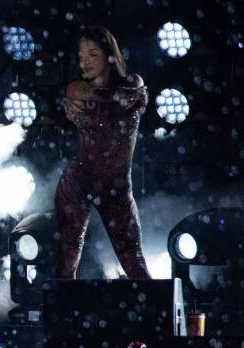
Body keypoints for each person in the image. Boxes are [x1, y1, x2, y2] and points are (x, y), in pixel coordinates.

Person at [55, 26, 151, 279]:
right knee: (67, 259)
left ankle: (156, 317)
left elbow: (121, 97)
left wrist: (117, 99)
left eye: (92, 54)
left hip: (116, 186)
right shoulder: (77, 88)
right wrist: (118, 100)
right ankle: (65, 317)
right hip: (78, 182)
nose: (84, 61)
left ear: (109, 55)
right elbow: (112, 100)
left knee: (134, 261)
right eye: (81, 56)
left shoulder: (132, 82)